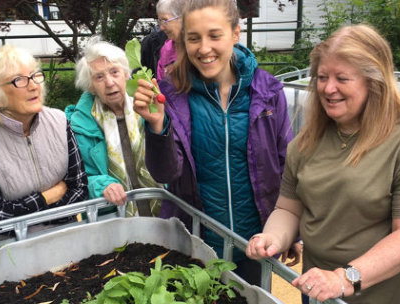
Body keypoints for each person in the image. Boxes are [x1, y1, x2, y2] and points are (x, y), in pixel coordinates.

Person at [246, 24, 400, 304]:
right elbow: (288, 208)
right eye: (322, 77)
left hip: (381, 294)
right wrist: (273, 237)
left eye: (342, 78)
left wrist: (344, 278)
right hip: (319, 290)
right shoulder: (306, 141)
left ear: (374, 81)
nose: (328, 88)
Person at [133, 0, 293, 285]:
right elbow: (166, 174)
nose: (204, 48)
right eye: (193, 38)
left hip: (255, 244)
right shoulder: (172, 94)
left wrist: (291, 230)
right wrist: (157, 127)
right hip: (197, 246)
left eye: (214, 35)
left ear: (235, 33)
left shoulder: (267, 92)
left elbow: (288, 165)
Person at [0, 44, 88, 225]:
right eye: (19, 80)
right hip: (13, 248)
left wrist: (31, 214)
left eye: (35, 76)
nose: (34, 85)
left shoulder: (59, 121)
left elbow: (80, 189)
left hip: (66, 233)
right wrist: (47, 197)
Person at [65, 37, 162, 217]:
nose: (109, 83)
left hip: (163, 209)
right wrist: (101, 185)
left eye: (114, 72)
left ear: (126, 74)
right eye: (99, 77)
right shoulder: (77, 126)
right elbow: (75, 178)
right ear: (90, 86)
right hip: (113, 217)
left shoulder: (151, 108)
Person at [155, 0, 184, 80]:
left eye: (165, 21)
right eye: (160, 22)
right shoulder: (166, 49)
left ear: (181, 18)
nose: (161, 27)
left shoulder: (197, 46)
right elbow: (160, 84)